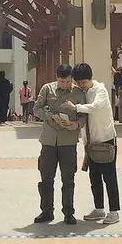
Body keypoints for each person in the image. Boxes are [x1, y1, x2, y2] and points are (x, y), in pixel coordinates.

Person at [32, 64, 86, 225]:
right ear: (57, 78)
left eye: (68, 81)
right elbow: (36, 109)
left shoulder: (78, 93)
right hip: (49, 141)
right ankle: (46, 211)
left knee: (68, 179)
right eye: (62, 82)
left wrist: (77, 124)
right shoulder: (47, 89)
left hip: (68, 141)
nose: (65, 85)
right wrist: (50, 117)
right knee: (46, 178)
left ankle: (69, 212)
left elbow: (84, 115)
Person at [68, 63, 120, 225]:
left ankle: (114, 212)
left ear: (90, 79)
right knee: (94, 177)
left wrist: (76, 107)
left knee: (109, 177)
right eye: (78, 83)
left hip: (105, 140)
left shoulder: (100, 90)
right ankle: (99, 209)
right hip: (90, 142)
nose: (81, 86)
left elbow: (95, 107)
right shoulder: (83, 92)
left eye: (83, 82)